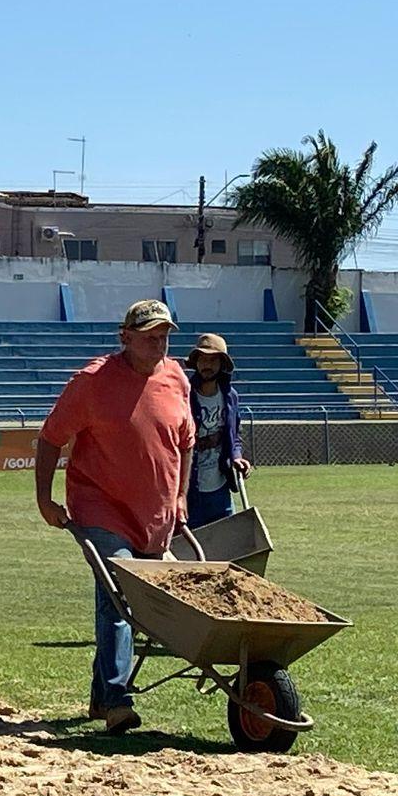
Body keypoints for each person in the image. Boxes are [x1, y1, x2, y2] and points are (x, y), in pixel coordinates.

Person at [35, 299, 195, 734]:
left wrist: (180, 497)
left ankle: (100, 695)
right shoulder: (92, 382)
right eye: (149, 337)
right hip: (99, 506)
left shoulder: (177, 378)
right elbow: (50, 439)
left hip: (154, 514)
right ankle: (117, 697)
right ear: (125, 337)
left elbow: (185, 442)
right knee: (119, 594)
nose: (159, 344)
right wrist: (44, 498)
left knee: (125, 600)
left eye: (164, 336)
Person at [185, 332, 251, 528]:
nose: (207, 364)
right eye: (203, 359)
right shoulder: (182, 395)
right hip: (189, 491)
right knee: (189, 554)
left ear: (222, 364)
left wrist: (237, 457)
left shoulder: (230, 396)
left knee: (225, 549)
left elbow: (234, 436)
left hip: (221, 491)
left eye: (213, 360)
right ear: (195, 362)